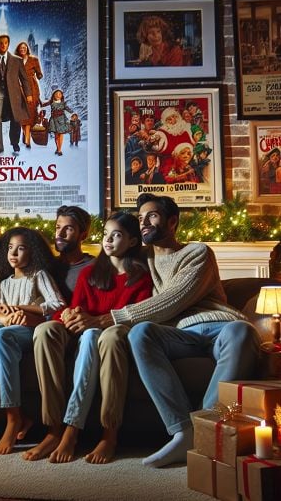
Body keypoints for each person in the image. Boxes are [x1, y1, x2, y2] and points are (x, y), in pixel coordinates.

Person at [118, 193, 260, 468]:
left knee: (242, 330)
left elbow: (173, 299)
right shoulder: (141, 259)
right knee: (140, 333)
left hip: (220, 326)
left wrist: (113, 318)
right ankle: (183, 431)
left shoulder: (197, 251)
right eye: (140, 218)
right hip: (179, 335)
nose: (144, 222)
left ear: (172, 222)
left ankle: (206, 427)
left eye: (152, 216)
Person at [47, 212, 152, 464]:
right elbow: (75, 308)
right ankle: (68, 429)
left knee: (104, 334)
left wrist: (97, 321)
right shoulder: (90, 274)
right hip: (88, 337)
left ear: (132, 242)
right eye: (105, 234)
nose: (107, 240)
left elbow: (139, 316)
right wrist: (70, 314)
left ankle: (108, 434)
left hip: (119, 339)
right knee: (83, 332)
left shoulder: (141, 278)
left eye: (116, 235)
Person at [22, 206, 95, 461]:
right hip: (54, 327)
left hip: (84, 327)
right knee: (44, 331)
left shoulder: (95, 266)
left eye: (69, 228)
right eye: (58, 227)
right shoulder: (44, 267)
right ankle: (53, 429)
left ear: (83, 234)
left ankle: (70, 431)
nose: (61, 233)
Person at [0, 227, 65, 455]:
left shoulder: (38, 275)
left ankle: (13, 421)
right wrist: (4, 311)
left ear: (33, 252)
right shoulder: (4, 283)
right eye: (11, 248)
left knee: (0, 336)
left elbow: (58, 304)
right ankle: (14, 417)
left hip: (34, 332)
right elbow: (3, 310)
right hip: (10, 332)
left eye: (21, 249)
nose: (14, 253)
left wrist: (22, 308)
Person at [0, 35, 32, 155]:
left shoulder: (17, 60)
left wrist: (28, 94)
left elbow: (24, 79)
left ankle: (15, 143)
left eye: (5, 43)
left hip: (14, 94)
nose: (3, 45)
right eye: (1, 43)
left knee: (16, 118)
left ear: (8, 44)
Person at [14, 41, 43, 149]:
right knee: (22, 114)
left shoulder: (34, 59)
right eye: (20, 48)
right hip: (19, 88)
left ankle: (27, 140)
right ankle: (25, 133)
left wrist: (38, 74)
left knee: (30, 113)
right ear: (18, 49)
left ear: (27, 48)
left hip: (32, 88)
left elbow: (39, 74)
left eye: (24, 47)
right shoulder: (15, 60)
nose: (22, 49)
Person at [42, 89, 73, 156]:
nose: (58, 95)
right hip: (54, 120)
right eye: (56, 94)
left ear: (61, 95)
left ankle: (59, 150)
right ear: (54, 95)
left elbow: (68, 109)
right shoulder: (51, 102)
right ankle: (57, 148)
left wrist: (72, 113)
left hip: (62, 120)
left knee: (61, 134)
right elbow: (43, 105)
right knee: (56, 135)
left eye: (59, 94)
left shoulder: (63, 103)